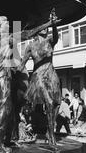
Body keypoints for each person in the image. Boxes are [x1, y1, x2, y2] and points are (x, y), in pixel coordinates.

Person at [18, 10, 61, 145]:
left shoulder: (50, 41)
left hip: (51, 73)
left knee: (57, 103)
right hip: (38, 77)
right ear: (37, 30)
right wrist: (14, 72)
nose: (45, 30)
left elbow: (56, 35)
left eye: (46, 27)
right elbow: (22, 64)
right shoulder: (30, 47)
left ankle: (49, 130)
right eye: (42, 27)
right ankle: (52, 135)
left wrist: (54, 24)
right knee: (49, 102)